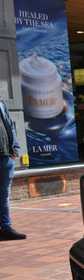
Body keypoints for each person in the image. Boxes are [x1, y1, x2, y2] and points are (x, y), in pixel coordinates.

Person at [0, 95, 26, 240]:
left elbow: (10, 125)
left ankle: (5, 229)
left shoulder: (1, 101)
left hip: (6, 158)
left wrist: (15, 148)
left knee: (3, 197)